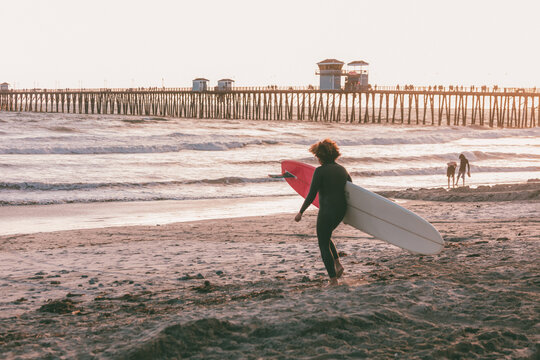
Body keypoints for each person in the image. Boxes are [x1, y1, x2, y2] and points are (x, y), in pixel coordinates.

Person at [294, 139, 352, 286]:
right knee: (326, 236)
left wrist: (301, 211)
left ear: (321, 156)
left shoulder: (319, 171)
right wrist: (350, 215)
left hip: (327, 210)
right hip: (340, 210)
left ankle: (333, 280)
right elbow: (352, 190)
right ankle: (338, 264)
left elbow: (312, 194)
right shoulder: (342, 169)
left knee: (323, 243)